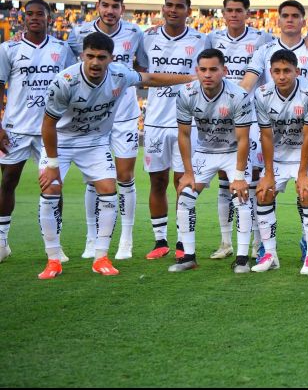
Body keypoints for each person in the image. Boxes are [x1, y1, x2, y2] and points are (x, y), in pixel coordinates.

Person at [36, 32, 193, 279]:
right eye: (90, 56)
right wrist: (53, 164)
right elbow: (47, 124)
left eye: (101, 57)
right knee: (50, 190)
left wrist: (192, 78)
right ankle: (53, 259)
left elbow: (150, 77)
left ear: (111, 58)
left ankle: (101, 257)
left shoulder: (120, 74)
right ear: (82, 56)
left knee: (109, 189)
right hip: (61, 142)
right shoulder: (64, 81)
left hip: (94, 142)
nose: (95, 62)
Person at [242, 0, 308, 261]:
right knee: (262, 189)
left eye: (295, 16)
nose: (289, 20)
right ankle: (264, 248)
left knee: (306, 193)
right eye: (285, 16)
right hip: (271, 133)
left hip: (302, 129)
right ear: (278, 20)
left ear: (303, 21)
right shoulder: (264, 50)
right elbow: (247, 85)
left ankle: (307, 241)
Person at [67, 0, 143, 260]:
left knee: (125, 177)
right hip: (92, 115)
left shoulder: (135, 33)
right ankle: (92, 238)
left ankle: (126, 239)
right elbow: (69, 70)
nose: (110, 11)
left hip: (124, 114)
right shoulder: (78, 34)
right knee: (93, 178)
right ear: (97, 6)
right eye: (105, 5)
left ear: (122, 8)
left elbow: (141, 71)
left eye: (115, 6)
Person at [0, 0, 76, 263]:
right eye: (29, 14)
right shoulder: (8, 49)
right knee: (8, 182)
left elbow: (70, 86)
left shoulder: (62, 49)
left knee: (54, 185)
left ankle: (55, 246)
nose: (34, 18)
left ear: (49, 17)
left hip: (51, 129)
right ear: (23, 17)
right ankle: (1, 242)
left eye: (39, 14)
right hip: (16, 128)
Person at [136, 0, 210, 261]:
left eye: (180, 6)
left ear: (188, 11)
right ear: (162, 8)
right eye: (169, 5)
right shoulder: (147, 37)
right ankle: (159, 241)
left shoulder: (202, 40)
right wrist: (184, 78)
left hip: (186, 122)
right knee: (157, 180)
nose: (173, 10)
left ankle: (182, 240)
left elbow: (204, 76)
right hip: (155, 121)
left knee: (183, 182)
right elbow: (144, 75)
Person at [170, 48, 254, 274]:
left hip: (233, 151)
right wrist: (187, 172)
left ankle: (243, 258)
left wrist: (238, 177)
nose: (208, 74)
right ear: (197, 71)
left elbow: (243, 138)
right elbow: (184, 135)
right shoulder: (186, 93)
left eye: (213, 69)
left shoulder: (238, 95)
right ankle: (188, 256)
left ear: (224, 71)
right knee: (185, 196)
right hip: (205, 152)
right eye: (203, 69)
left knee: (241, 198)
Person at [207, 0, 274, 261]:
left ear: (248, 13)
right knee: (226, 177)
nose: (234, 14)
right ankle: (226, 241)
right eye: (229, 10)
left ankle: (258, 240)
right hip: (222, 116)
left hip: (253, 117)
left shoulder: (262, 38)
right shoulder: (212, 38)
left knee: (254, 176)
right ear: (223, 13)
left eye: (239, 10)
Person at [252, 49, 308, 275]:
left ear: (297, 71)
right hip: (279, 154)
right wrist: (268, 174)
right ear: (270, 72)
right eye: (276, 71)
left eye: (287, 71)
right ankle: (270, 254)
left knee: (306, 194)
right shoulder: (262, 93)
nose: (282, 76)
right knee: (263, 193)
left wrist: (303, 174)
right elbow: (266, 135)